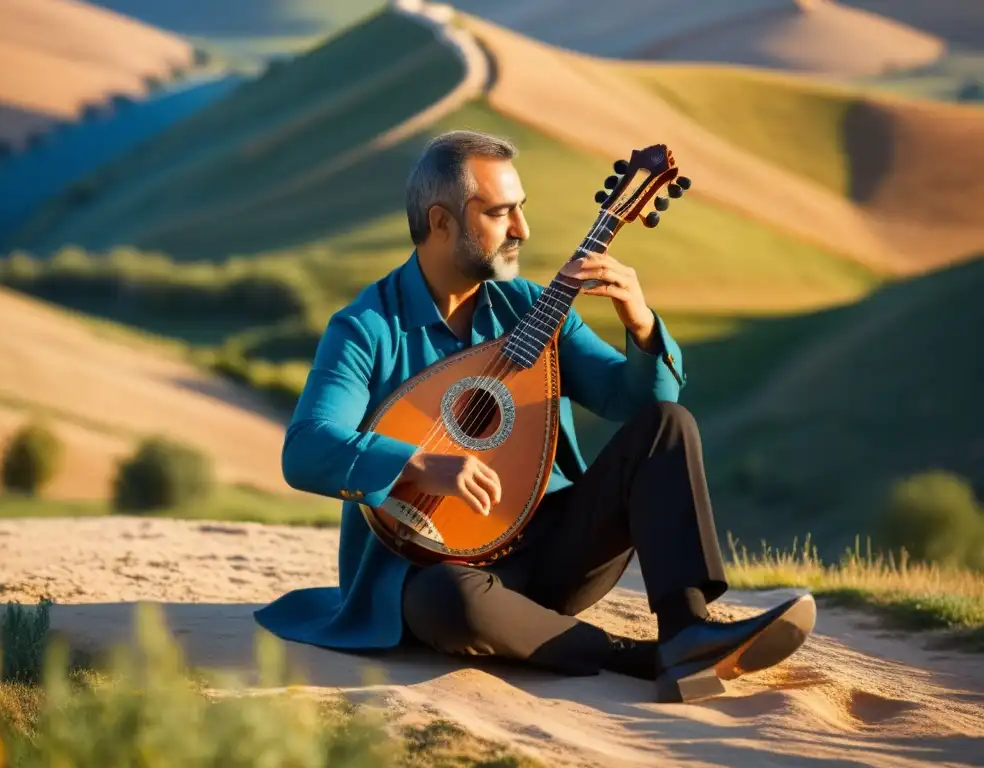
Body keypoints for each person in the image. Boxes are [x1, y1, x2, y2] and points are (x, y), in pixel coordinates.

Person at [254, 130, 815, 703]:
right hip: (439, 572)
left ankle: (685, 628)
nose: (522, 229)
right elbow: (306, 450)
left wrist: (641, 322)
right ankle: (640, 657)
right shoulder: (369, 327)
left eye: (521, 208)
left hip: (553, 551)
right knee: (449, 600)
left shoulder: (530, 307)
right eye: (500, 213)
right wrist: (421, 464)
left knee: (668, 423)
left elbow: (633, 404)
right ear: (441, 222)